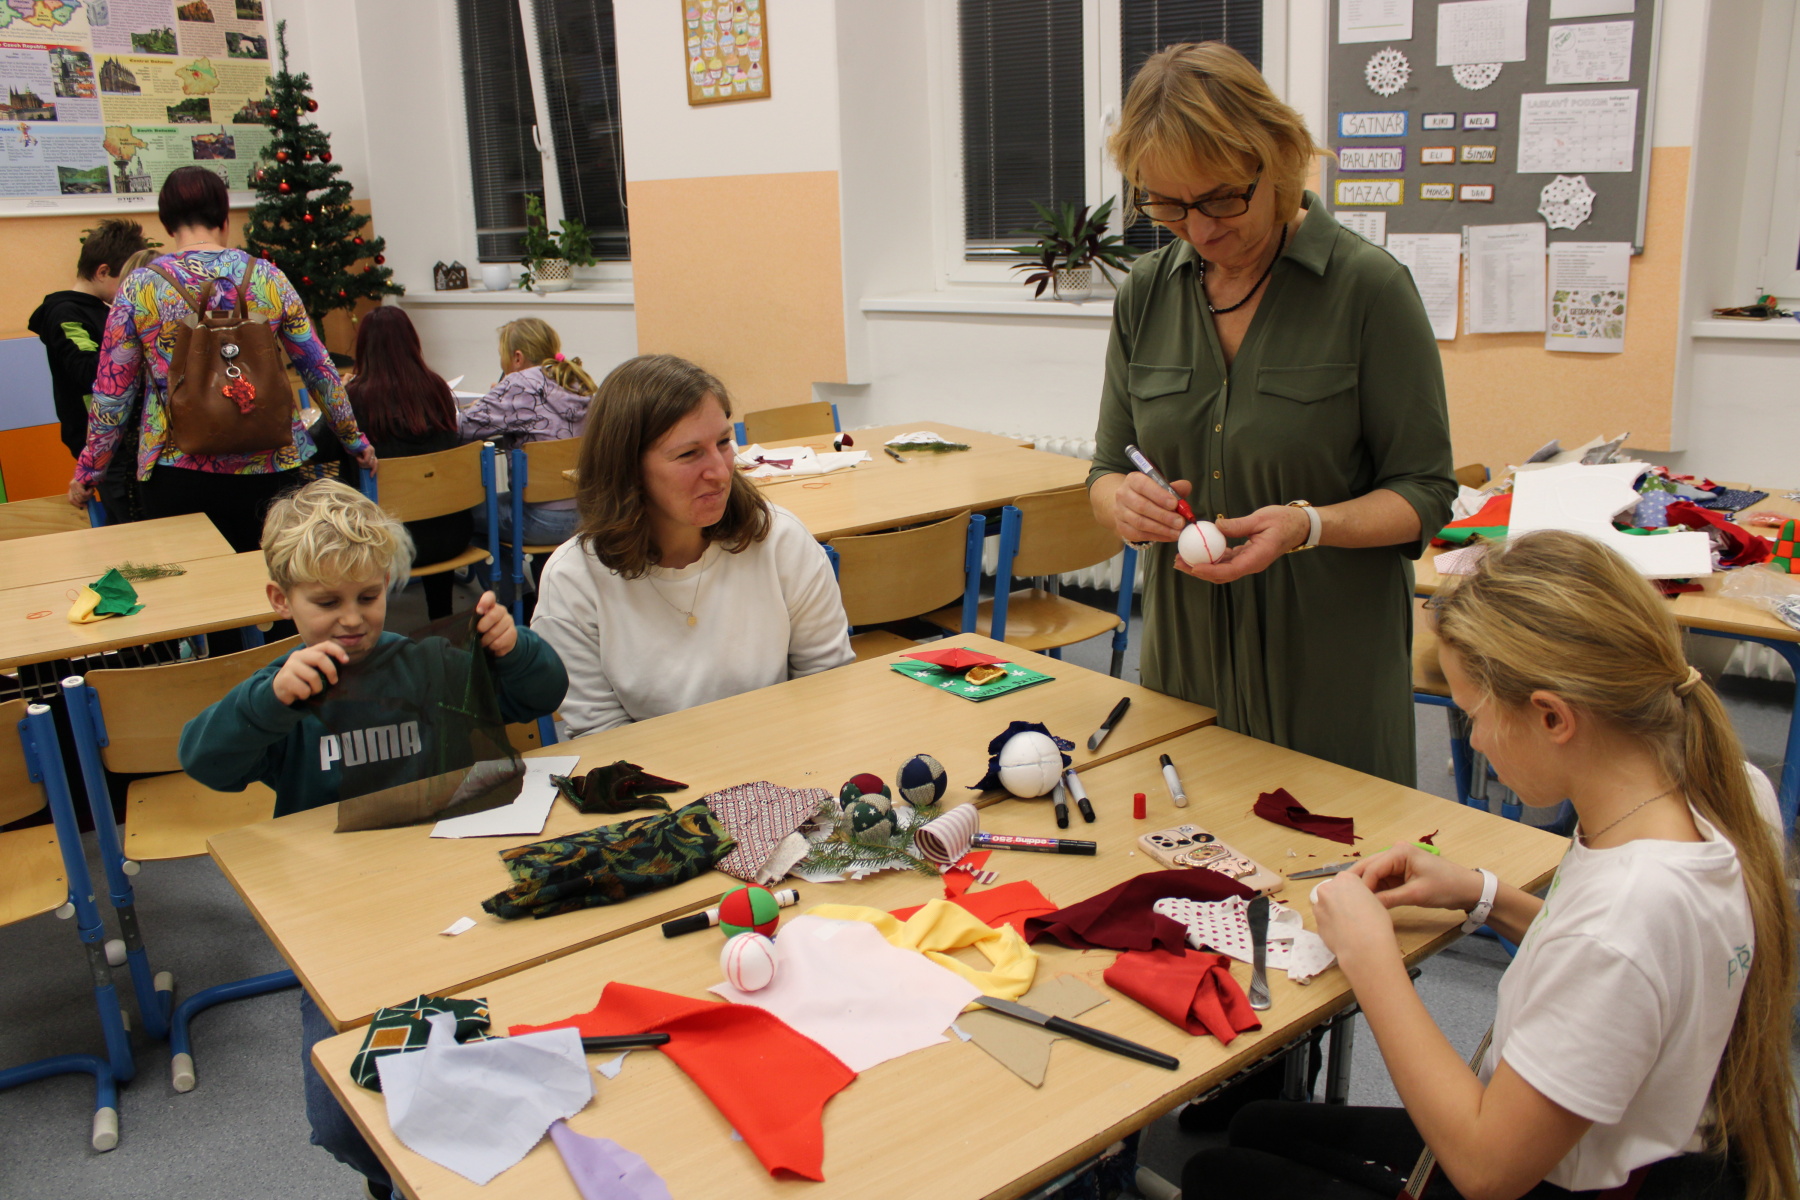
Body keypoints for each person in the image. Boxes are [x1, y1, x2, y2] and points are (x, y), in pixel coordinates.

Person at [1185, 530, 1798, 1200]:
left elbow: (1486, 1170)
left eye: (1473, 714)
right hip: (1638, 1150)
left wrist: (1371, 959)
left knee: (1215, 1176)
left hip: (1542, 1172)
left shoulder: (1621, 920)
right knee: (1255, 1124)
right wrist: (1484, 895)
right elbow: (1626, 970)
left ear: (1553, 717)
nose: (1473, 740)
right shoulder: (1724, 792)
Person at [178, 479, 566, 1199]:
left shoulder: (431, 661)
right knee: (340, 1120)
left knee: (507, 1056)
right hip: (341, 923)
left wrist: (516, 648)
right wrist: (268, 699)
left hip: (456, 895)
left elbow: (538, 695)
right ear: (280, 600)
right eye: (326, 602)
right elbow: (204, 761)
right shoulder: (287, 692)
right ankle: (389, 1181)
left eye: (368, 596)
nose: (352, 619)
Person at [1086, 42, 1455, 785]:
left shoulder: (1368, 290)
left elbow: (1425, 493)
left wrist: (1308, 525)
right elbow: (1105, 470)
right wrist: (1123, 505)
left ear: (1279, 158)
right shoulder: (1146, 295)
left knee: (1337, 848)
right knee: (1185, 847)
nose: (1200, 229)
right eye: (1168, 205)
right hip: (1186, 669)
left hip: (1326, 673)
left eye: (1221, 198)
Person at [531, 353, 852, 738]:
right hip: (651, 773)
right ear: (628, 468)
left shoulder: (779, 539)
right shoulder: (574, 580)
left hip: (785, 755)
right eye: (688, 454)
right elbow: (602, 737)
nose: (719, 472)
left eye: (724, 442)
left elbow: (826, 683)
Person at [65, 165, 376, 555]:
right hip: (271, 464)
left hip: (176, 467)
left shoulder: (141, 286)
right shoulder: (268, 278)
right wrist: (353, 439)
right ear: (224, 218)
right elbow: (318, 369)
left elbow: (113, 391)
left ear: (167, 222)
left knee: (198, 584)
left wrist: (90, 470)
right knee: (274, 579)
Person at [346, 306, 473, 619]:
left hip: (386, 544)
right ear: (413, 343)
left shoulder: (355, 397)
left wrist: (340, 397)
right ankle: (442, 620)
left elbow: (317, 446)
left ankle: (366, 621)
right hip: (453, 537)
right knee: (432, 503)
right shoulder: (438, 389)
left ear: (364, 348)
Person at [29, 217, 151, 523]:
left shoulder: (105, 310)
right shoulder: (65, 312)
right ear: (103, 271)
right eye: (127, 279)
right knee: (131, 527)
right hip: (109, 448)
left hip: (128, 442)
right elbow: (89, 370)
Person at [458, 316, 597, 550]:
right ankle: (543, 572)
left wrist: (487, 401)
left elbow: (461, 428)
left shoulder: (518, 384)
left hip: (540, 521)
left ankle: (504, 575)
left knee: (463, 515)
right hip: (587, 515)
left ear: (517, 357)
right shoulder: (575, 379)